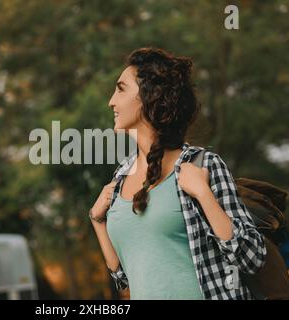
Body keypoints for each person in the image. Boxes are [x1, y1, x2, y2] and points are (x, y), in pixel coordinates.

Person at [89, 47, 267, 300]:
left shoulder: (202, 165)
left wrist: (204, 194)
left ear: (150, 97)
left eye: (121, 89)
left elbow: (253, 257)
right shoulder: (120, 178)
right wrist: (98, 222)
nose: (111, 101)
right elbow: (125, 279)